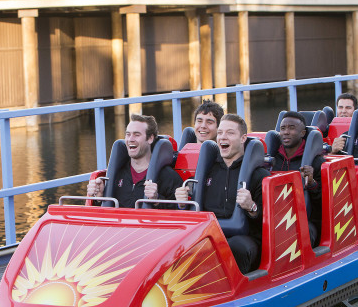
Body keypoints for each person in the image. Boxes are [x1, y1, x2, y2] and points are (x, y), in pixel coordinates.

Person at [175, 114, 269, 274]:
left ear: (243, 138)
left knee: (235, 248)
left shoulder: (258, 174)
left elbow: (268, 220)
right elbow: (193, 209)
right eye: (220, 133)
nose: (223, 137)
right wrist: (183, 203)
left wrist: (251, 207)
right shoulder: (207, 170)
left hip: (245, 236)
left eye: (230, 133)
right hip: (210, 233)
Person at [87, 114, 182, 208]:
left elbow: (180, 212)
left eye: (136, 135)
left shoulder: (168, 176)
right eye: (128, 134)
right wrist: (99, 198)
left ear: (150, 138)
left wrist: (157, 200)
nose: (130, 139)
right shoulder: (116, 174)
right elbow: (102, 214)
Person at [272, 111, 324, 247]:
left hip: (306, 219)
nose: (286, 132)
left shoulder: (316, 161)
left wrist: (312, 183)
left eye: (292, 128)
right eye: (283, 129)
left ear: (302, 133)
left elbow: (324, 203)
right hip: (275, 217)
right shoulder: (272, 160)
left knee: (297, 236)